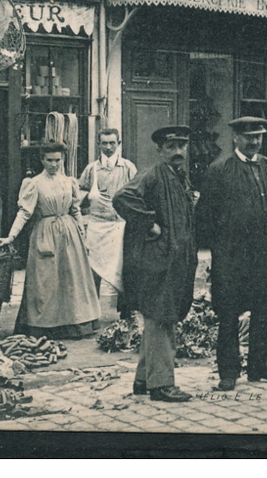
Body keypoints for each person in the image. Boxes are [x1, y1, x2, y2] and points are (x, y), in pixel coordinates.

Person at [196, 117, 267, 392]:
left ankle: (259, 367)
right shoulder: (220, 170)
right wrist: (221, 248)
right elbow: (205, 217)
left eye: (259, 137)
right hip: (233, 256)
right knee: (228, 315)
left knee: (265, 312)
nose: (254, 142)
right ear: (235, 138)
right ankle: (228, 372)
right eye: (248, 137)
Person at [113, 126, 199, 402]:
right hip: (157, 262)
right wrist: (149, 224)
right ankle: (162, 385)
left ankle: (143, 379)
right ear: (159, 149)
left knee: (159, 319)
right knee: (161, 319)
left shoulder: (180, 177)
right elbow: (122, 197)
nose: (177, 151)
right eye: (171, 146)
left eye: (182, 146)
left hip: (174, 261)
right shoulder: (152, 173)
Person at [0, 142, 101, 339]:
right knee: (45, 280)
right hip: (45, 233)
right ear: (42, 160)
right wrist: (11, 236)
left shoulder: (69, 181)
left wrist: (82, 234)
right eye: (49, 160)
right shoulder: (34, 183)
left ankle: (74, 325)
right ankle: (44, 326)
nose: (54, 164)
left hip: (69, 233)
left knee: (72, 279)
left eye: (58, 160)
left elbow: (75, 210)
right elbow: (24, 212)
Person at [77, 128, 137, 307]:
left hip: (120, 224)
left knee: (123, 268)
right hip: (97, 225)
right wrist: (88, 196)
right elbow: (79, 191)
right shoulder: (92, 169)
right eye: (105, 143)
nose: (109, 147)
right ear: (99, 145)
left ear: (119, 144)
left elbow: (137, 193)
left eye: (112, 143)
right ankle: (91, 311)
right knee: (93, 269)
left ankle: (126, 311)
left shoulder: (128, 167)